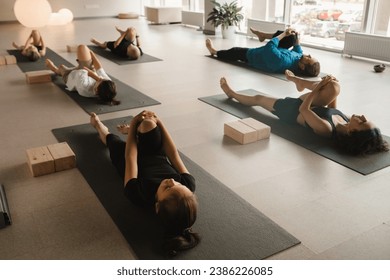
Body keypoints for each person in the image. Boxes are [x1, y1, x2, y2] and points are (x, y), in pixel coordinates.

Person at [90, 110, 200, 255]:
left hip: (129, 160)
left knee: (111, 139)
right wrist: (159, 122)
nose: (172, 181)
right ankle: (137, 132)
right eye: (179, 185)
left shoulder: (138, 194)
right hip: (155, 153)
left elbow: (130, 157)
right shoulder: (189, 184)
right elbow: (173, 155)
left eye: (167, 188)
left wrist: (135, 123)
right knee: (149, 123)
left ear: (157, 205)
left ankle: (99, 125)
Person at [219, 71, 389, 155]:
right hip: (310, 103)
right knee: (334, 88)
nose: (362, 117)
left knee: (258, 98)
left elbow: (303, 110)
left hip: (291, 110)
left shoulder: (327, 129)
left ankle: (231, 93)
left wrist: (318, 89)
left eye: (362, 122)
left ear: (352, 132)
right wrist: (327, 88)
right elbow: (331, 107)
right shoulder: (344, 120)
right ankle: (298, 82)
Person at [206, 27, 320, 77]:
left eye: (309, 58)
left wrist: (284, 34)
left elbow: (270, 45)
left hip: (254, 55)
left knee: (234, 51)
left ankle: (214, 52)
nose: (309, 55)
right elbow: (297, 46)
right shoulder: (299, 58)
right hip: (274, 51)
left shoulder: (282, 61)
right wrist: (295, 34)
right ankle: (262, 35)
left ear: (303, 67)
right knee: (291, 37)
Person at [45, 44, 120, 105]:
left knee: (62, 67)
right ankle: (83, 56)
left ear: (96, 90)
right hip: (86, 70)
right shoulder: (107, 83)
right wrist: (90, 52)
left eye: (99, 80)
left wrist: (96, 76)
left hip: (71, 77)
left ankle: (54, 69)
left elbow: (84, 69)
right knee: (82, 47)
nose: (100, 78)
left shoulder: (84, 88)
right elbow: (99, 68)